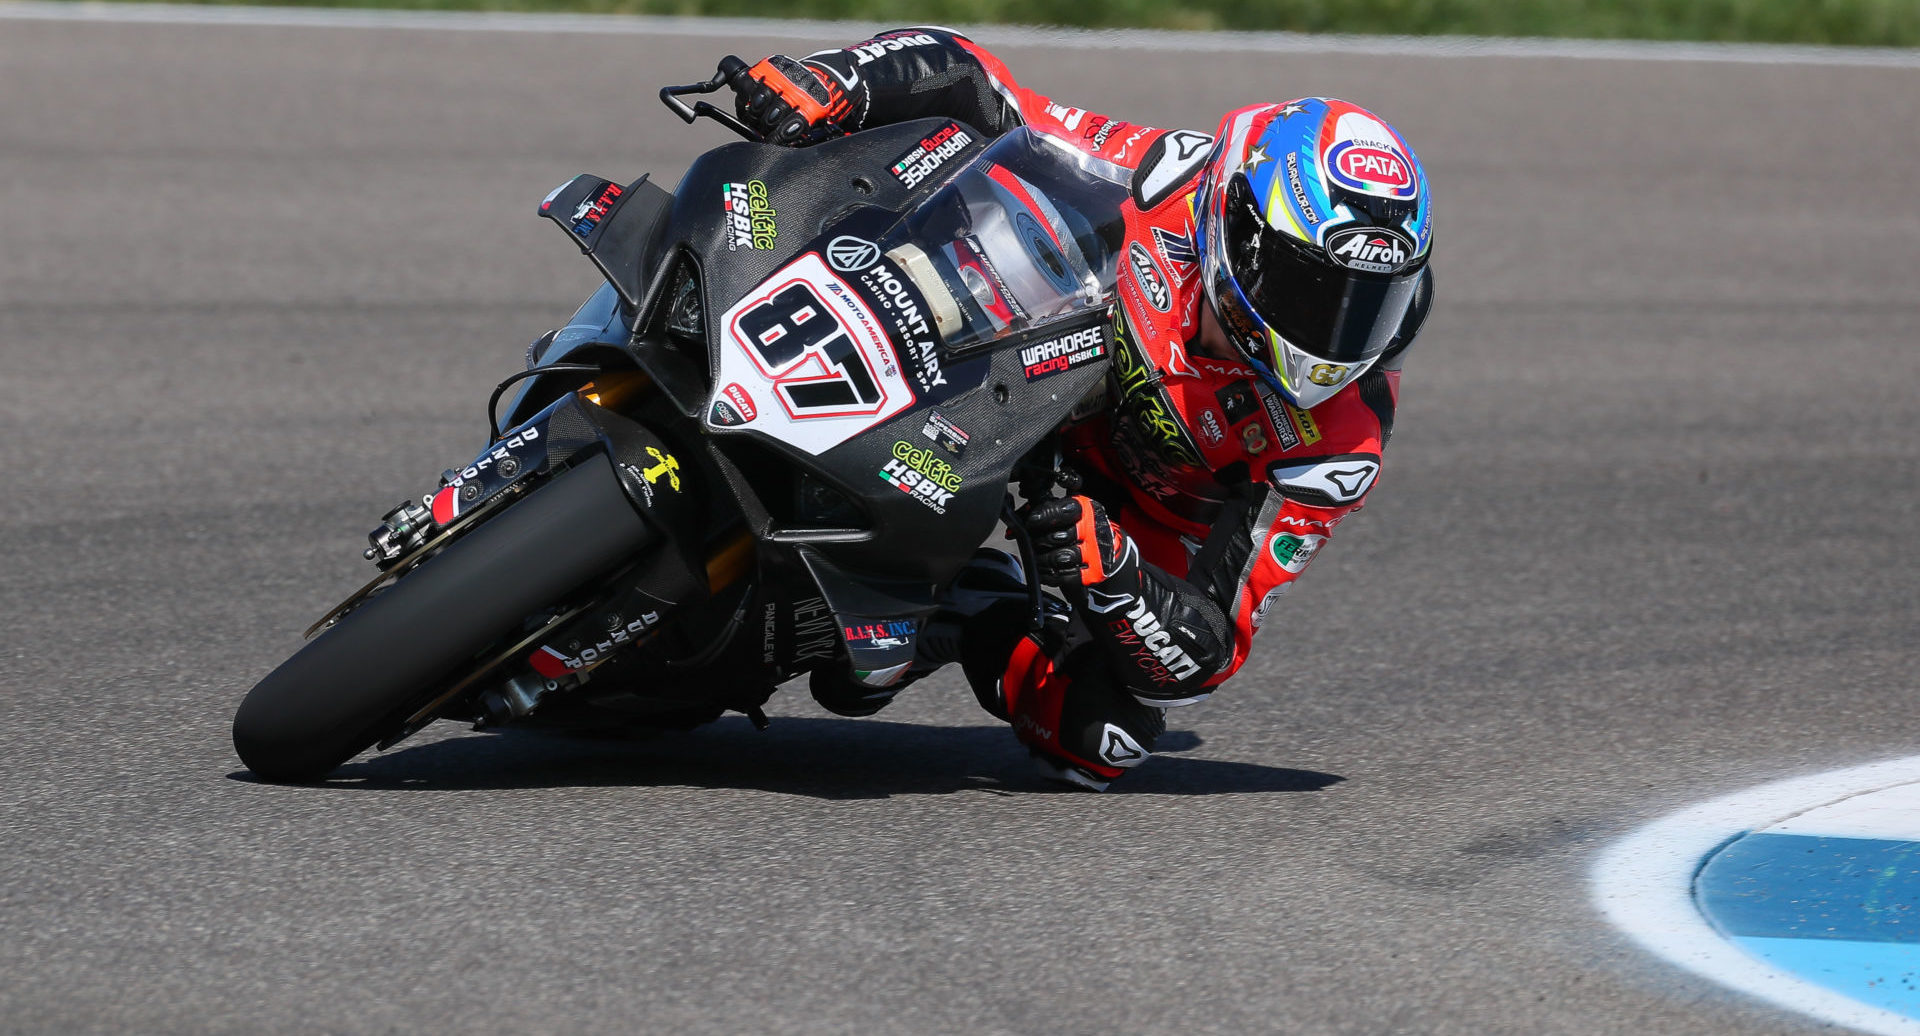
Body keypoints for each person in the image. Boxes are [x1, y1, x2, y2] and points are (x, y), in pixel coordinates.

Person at [731, 28, 1435, 790]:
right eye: (1315, 289)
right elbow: (980, 87)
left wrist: (1121, 578)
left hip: (1113, 506)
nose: (1339, 331)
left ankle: (967, 610)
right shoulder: (1168, 178)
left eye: (1370, 303)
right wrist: (841, 80)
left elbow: (1214, 648)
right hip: (1007, 363)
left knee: (1102, 736)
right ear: (1239, 229)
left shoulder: (1339, 446)